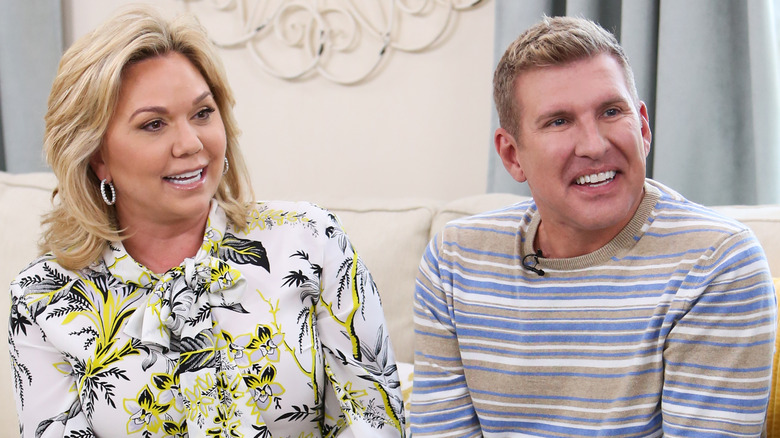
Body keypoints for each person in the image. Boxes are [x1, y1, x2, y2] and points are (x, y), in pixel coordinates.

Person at [7, 6, 405, 437]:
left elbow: (377, 419)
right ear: (97, 155)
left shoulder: (311, 239)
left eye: (202, 113)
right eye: (154, 124)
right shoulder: (42, 299)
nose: (192, 143)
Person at [411, 15, 776, 437]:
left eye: (610, 111)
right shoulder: (454, 261)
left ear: (642, 127)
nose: (595, 145)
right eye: (559, 121)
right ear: (512, 155)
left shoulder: (718, 263)